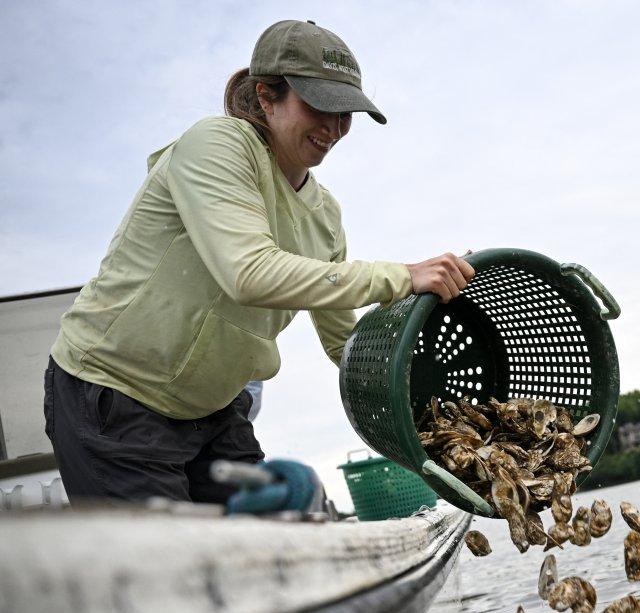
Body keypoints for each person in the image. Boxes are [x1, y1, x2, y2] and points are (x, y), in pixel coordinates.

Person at [43, 20, 473, 504]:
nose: (333, 129)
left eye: (346, 113)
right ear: (267, 96)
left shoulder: (326, 216)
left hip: (214, 412)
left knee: (269, 547)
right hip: (114, 395)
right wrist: (400, 276)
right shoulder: (218, 145)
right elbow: (248, 274)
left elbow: (345, 347)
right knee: (166, 570)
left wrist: (428, 398)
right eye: (319, 107)